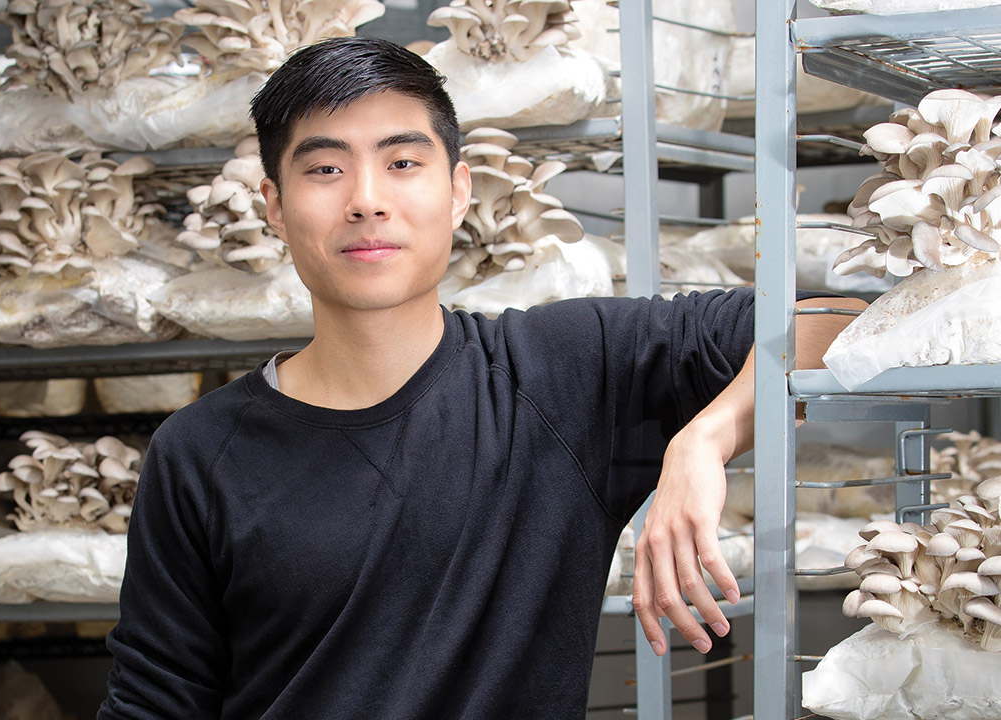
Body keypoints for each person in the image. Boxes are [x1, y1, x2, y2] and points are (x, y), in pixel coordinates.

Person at [99, 36, 864, 719]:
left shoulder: (566, 373)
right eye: (325, 169)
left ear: (460, 190)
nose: (367, 200)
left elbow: (836, 320)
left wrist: (707, 436)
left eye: (402, 163)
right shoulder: (199, 451)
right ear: (274, 204)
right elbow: (155, 700)